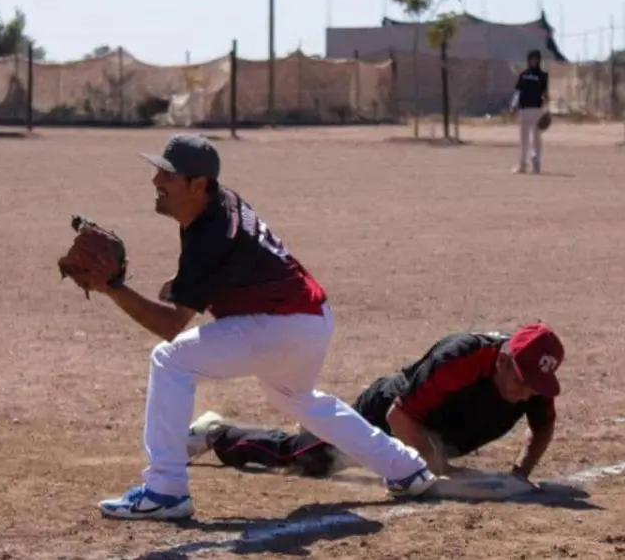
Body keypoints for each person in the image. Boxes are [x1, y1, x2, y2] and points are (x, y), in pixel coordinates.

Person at [84, 133, 437, 521]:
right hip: (311, 319)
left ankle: (165, 489)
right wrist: (183, 283)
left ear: (197, 185)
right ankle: (405, 467)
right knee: (296, 397)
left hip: (280, 325)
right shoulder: (219, 204)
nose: (156, 182)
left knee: (170, 360)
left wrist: (114, 289)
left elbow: (171, 325)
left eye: (168, 175)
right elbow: (231, 262)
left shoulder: (210, 232)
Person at [185, 323, 564, 484]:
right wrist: (440, 470)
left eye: (537, 385)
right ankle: (216, 434)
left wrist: (521, 473)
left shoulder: (535, 380)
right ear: (502, 360)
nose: (528, 392)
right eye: (522, 381)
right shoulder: (461, 358)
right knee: (310, 458)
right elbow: (400, 414)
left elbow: (542, 427)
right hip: (386, 412)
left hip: (427, 429)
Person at [511, 49, 550, 175]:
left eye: (536, 58)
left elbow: (545, 93)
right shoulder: (523, 74)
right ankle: (522, 165)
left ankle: (536, 163)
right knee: (523, 138)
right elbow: (518, 91)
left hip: (537, 109)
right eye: (532, 58)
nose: (534, 61)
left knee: (536, 138)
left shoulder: (543, 75)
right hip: (523, 109)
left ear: (539, 60)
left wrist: (547, 109)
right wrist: (513, 104)